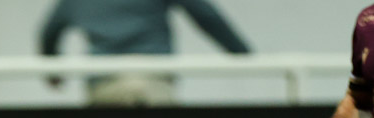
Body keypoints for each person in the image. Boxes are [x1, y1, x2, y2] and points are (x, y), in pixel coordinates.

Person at [39, 0, 250, 106]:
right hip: (152, 83)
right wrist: (242, 54)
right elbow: (206, 16)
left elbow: (48, 32)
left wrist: (54, 75)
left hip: (104, 86)